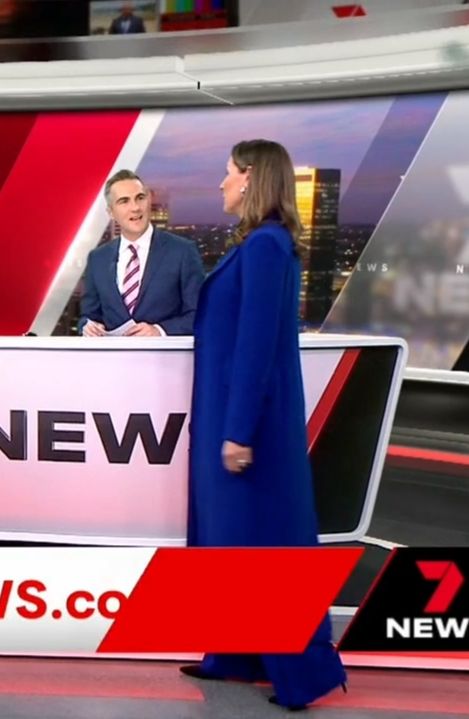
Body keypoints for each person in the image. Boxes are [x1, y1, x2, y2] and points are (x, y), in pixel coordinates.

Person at [181, 140, 347, 710]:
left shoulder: (267, 246)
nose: (221, 183)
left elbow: (256, 347)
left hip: (246, 426)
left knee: (263, 549)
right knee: (231, 545)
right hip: (230, 417)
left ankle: (303, 674)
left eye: (228, 173)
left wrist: (238, 432)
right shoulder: (258, 244)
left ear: (251, 178)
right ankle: (234, 656)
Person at [79, 169, 204, 336]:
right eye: (124, 201)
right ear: (111, 213)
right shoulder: (98, 259)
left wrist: (159, 330)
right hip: (114, 353)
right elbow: (88, 316)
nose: (135, 208)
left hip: (164, 352)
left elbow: (200, 314)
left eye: (140, 198)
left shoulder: (182, 251)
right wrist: (87, 327)